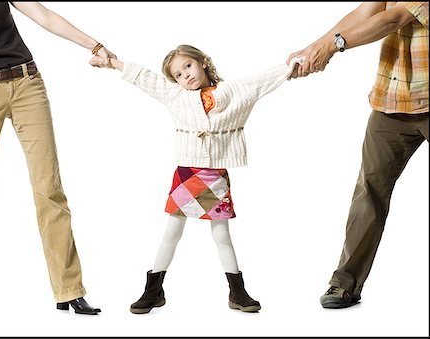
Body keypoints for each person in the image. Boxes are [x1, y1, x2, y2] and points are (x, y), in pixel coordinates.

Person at [90, 44, 303, 314]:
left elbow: (260, 81)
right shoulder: (176, 96)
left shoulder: (232, 90)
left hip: (215, 175)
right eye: (178, 75)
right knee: (172, 232)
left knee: (222, 235)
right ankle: (153, 289)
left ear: (202, 62)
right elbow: (147, 78)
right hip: (187, 175)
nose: (185, 76)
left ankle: (237, 292)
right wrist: (113, 63)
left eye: (187, 67)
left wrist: (289, 69)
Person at [286, 2, 428, 308]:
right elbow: (367, 11)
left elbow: (393, 18)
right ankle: (345, 283)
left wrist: (333, 46)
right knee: (369, 191)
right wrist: (313, 49)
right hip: (394, 99)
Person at [0, 1, 116, 314]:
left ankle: (69, 290)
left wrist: (96, 45)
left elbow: (43, 15)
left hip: (27, 83)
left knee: (49, 190)